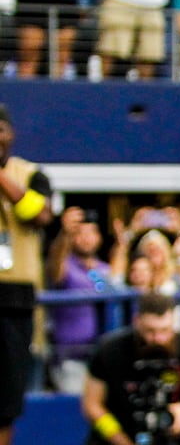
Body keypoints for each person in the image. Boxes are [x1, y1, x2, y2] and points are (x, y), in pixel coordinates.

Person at [81, 293, 180, 445]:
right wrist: (119, 439)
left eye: (165, 330)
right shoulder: (110, 349)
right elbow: (92, 405)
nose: (158, 338)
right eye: (150, 331)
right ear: (137, 322)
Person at [0, 103, 54, 445]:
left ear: (10, 133)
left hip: (14, 298)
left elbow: (41, 215)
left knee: (4, 399)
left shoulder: (32, 173)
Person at [45, 207, 114, 394]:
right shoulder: (66, 265)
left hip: (99, 356)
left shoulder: (103, 269)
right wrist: (65, 233)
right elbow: (55, 266)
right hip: (69, 356)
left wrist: (126, 240)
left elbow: (116, 281)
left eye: (91, 232)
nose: (86, 238)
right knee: (74, 408)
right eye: (80, 233)